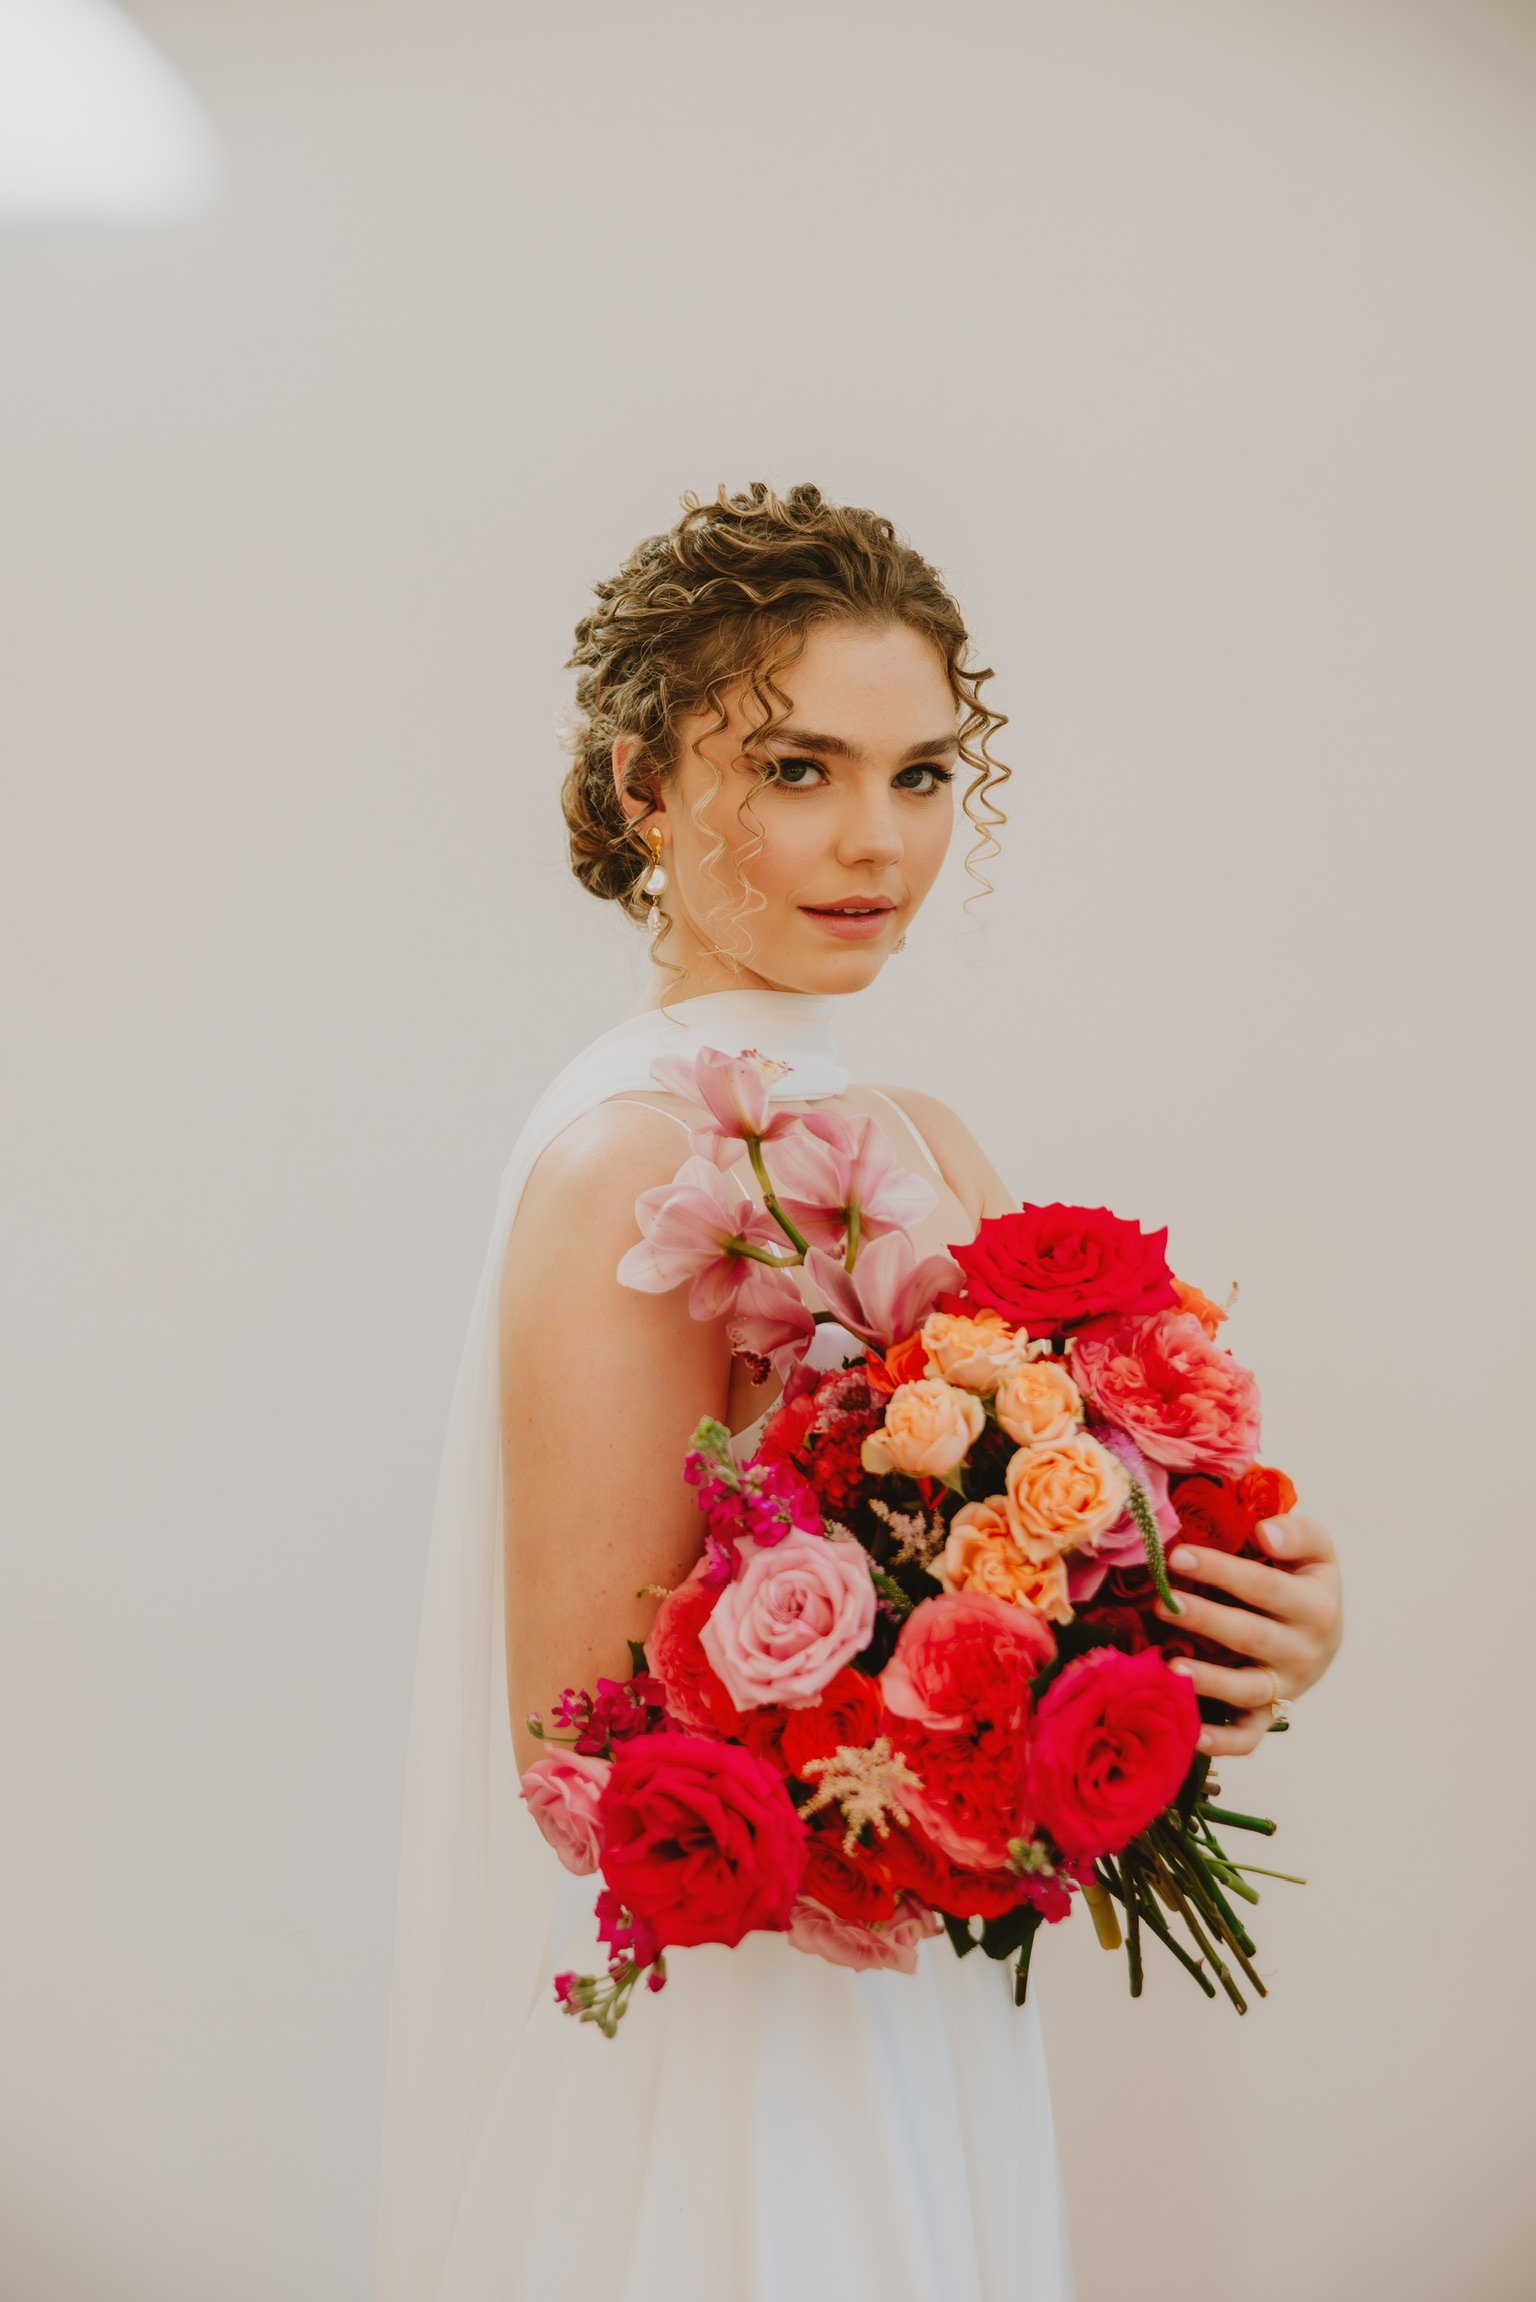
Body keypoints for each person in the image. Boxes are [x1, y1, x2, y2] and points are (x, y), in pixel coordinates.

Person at [373, 482, 1345, 2302]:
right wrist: (937, 1738)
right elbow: (581, 1750)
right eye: (801, 766)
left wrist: (1224, 1631)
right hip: (740, 2042)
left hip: (920, 2001)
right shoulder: (630, 1160)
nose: (877, 841)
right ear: (646, 786)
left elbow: (1037, 1562)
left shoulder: (925, 1135)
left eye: (920, 774)